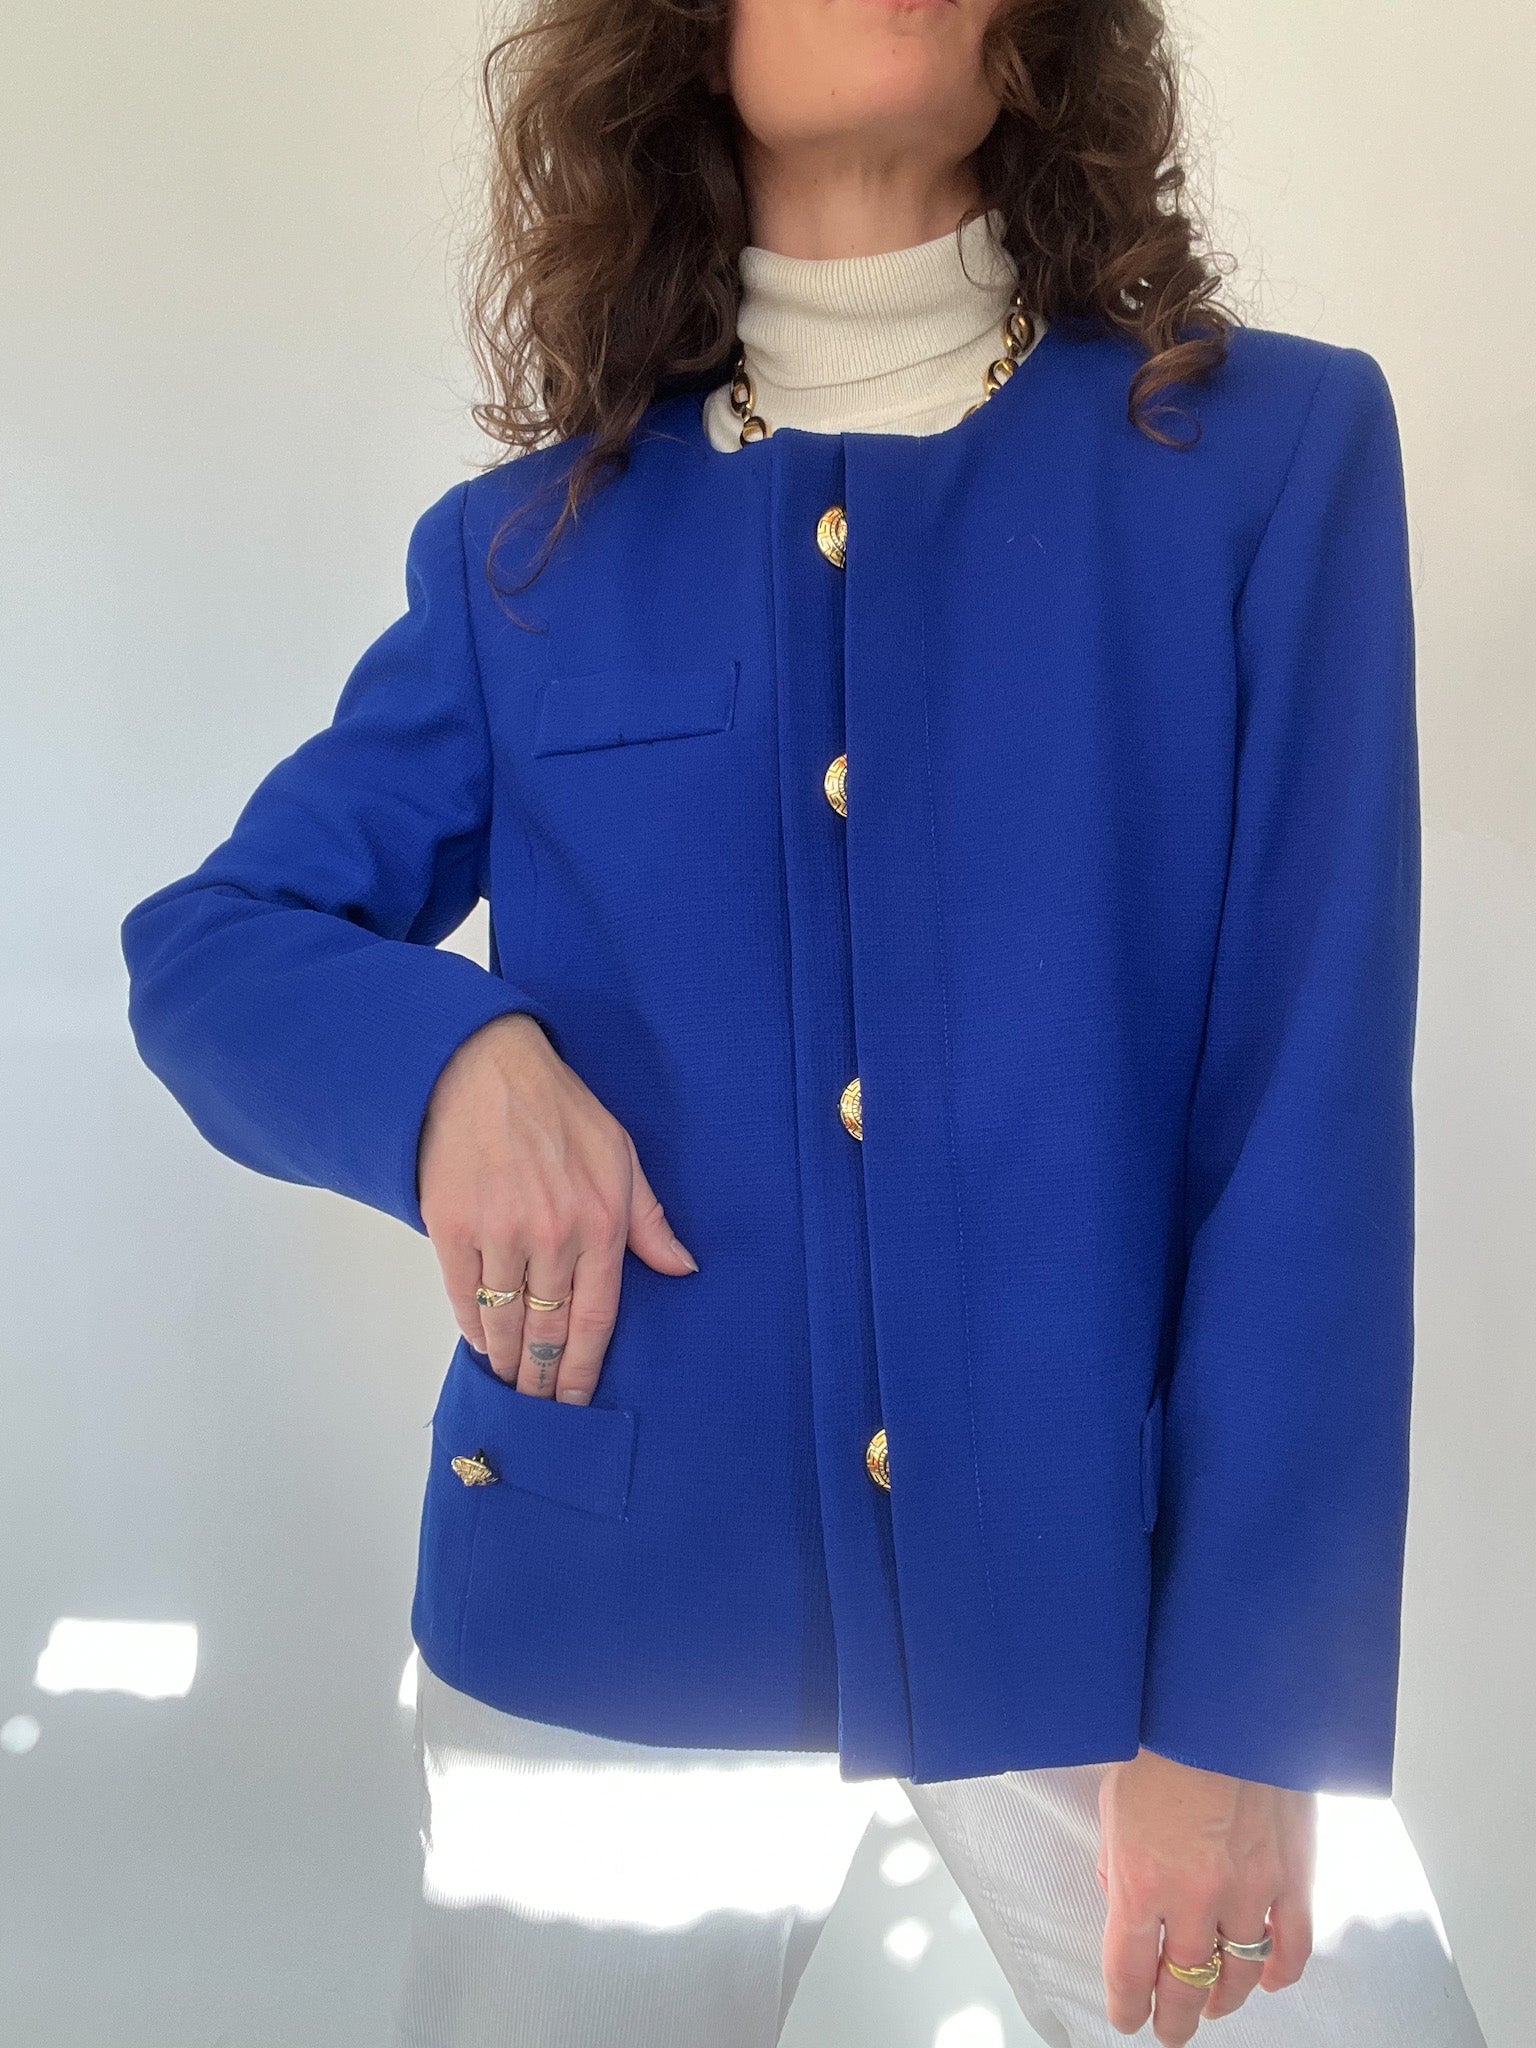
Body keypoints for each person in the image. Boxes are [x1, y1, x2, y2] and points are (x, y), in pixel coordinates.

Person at [119, 2, 1488, 2044]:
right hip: (610, 1607)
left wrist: (1244, 1714)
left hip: (1110, 1620)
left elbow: (1311, 1113)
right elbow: (213, 944)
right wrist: (449, 1068)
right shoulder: (526, 555)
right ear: (687, 41)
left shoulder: (1263, 464)